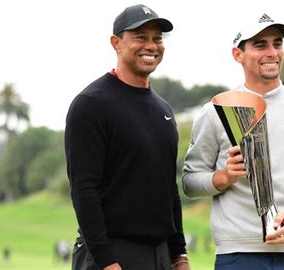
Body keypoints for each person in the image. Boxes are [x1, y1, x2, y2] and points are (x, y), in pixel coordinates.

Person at [182, 12, 284, 270]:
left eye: (277, 43)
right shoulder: (215, 111)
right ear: (238, 54)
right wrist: (223, 177)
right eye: (260, 45)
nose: (272, 52)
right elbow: (190, 182)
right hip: (237, 255)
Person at [65, 4, 190, 270]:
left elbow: (169, 189)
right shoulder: (91, 104)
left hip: (160, 255)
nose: (151, 45)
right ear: (116, 43)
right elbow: (84, 189)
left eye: (157, 38)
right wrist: (106, 260)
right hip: (111, 253)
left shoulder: (164, 110)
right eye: (140, 37)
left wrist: (179, 254)